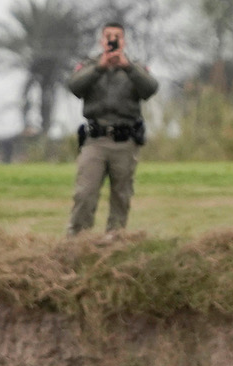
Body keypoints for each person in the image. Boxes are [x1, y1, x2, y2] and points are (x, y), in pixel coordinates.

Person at [66, 21, 159, 236]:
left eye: (117, 36)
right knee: (85, 192)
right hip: (95, 140)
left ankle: (115, 237)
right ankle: (79, 238)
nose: (112, 40)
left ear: (124, 41)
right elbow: (74, 86)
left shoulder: (135, 68)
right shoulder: (90, 65)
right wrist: (100, 67)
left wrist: (127, 67)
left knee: (121, 194)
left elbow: (150, 88)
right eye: (108, 36)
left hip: (125, 141)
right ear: (102, 40)